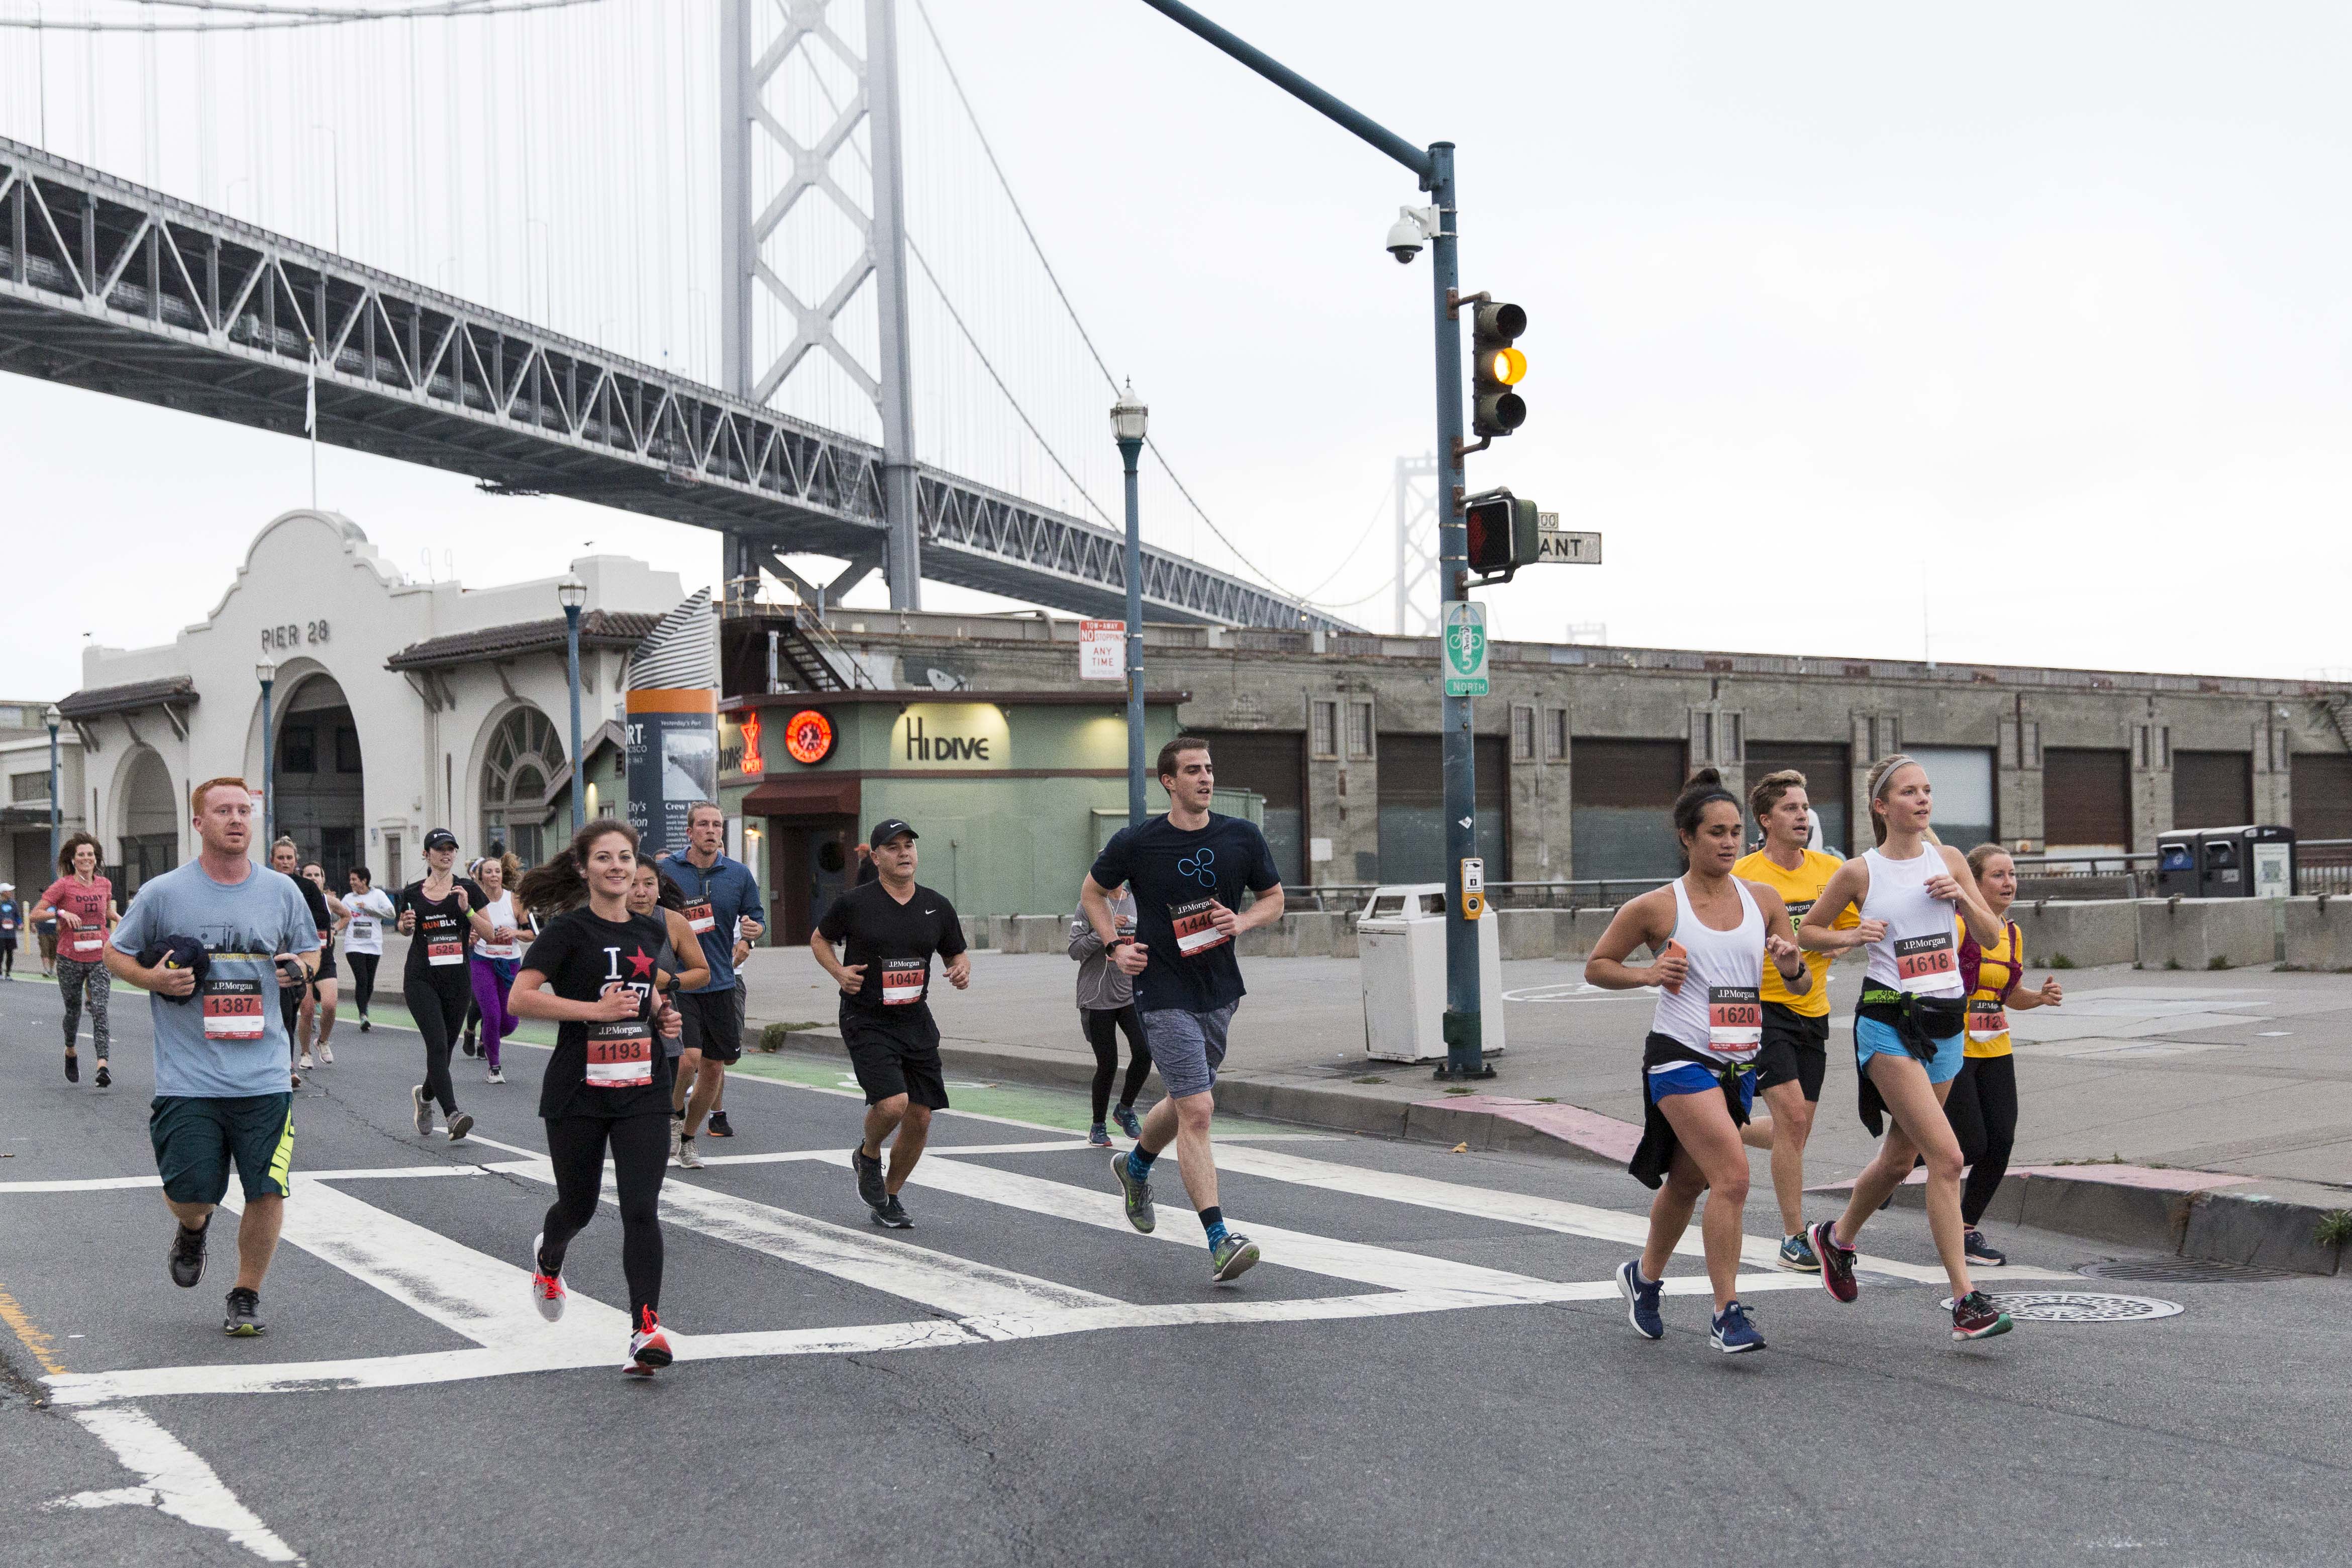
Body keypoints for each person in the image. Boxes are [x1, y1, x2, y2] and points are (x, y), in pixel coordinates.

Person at [1588, 770, 1811, 1353]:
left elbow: (1798, 977)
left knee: (1688, 1181)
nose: (1729, 842)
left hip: (1737, 1061)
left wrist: (1790, 964)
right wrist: (1646, 973)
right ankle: (1726, 1312)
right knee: (1732, 1177)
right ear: (1687, 838)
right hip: (1678, 1057)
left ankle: (1644, 1278)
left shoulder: (1762, 900)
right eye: (1716, 832)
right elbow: (1597, 965)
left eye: (1736, 831)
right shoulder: (1658, 907)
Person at [1799, 754, 2014, 1342]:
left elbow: (1993, 933)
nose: (1922, 800)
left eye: (1927, 791)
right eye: (1908, 792)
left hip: (1947, 1024)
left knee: (1900, 1160)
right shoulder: (1858, 872)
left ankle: (1835, 1240)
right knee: (1945, 1158)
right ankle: (1964, 1300)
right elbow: (1806, 933)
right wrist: (1850, 933)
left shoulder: (1947, 861)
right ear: (1881, 805)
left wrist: (1964, 898)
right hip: (1888, 1022)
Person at [104, 778, 318, 1336]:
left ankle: (246, 1293)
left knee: (268, 1189)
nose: (236, 819)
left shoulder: (281, 891)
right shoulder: (163, 893)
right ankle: (194, 1227)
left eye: (244, 810)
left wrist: (298, 968)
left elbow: (310, 948)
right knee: (191, 1192)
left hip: (266, 1074)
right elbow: (115, 951)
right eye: (223, 810)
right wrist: (151, 977)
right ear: (198, 823)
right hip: (189, 1077)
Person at [1086, 736, 1285, 1284]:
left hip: (1219, 990)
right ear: (1168, 781)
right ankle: (1220, 1238)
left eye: (1210, 769)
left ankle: (1136, 1166)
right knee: (1198, 1108)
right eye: (1193, 770)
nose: (1206, 778)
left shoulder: (1240, 836)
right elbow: (1091, 893)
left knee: (1183, 1097)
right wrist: (1115, 947)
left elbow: (1274, 898)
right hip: (1161, 989)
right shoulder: (1138, 842)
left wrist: (1242, 921)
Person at [510, 819, 685, 1376]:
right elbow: (521, 998)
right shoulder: (566, 931)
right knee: (579, 1205)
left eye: (626, 857)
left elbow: (640, 996)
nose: (617, 866)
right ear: (584, 868)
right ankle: (549, 1256)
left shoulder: (649, 933)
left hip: (643, 1087)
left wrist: (660, 1015)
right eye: (605, 858)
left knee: (641, 1208)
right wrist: (592, 1012)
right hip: (577, 1088)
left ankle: (645, 1328)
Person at [1730, 769, 1862, 1272]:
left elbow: (1845, 932)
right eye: (1790, 808)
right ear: (1765, 820)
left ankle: (1720, 1127)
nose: (1802, 815)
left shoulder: (1831, 870)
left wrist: (1844, 937)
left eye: (1805, 807)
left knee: (1796, 1131)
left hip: (1811, 1006)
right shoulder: (1742, 874)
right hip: (1756, 1007)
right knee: (1791, 1119)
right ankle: (1792, 1236)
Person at [810, 819, 969, 1227]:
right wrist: (838, 973)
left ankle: (890, 1197)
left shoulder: (936, 905)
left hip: (915, 1019)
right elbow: (819, 939)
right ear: (876, 856)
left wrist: (961, 970)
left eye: (909, 846)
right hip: (866, 1017)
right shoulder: (854, 902)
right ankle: (868, 1154)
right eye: (893, 847)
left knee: (920, 1116)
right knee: (893, 1103)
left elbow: (955, 953)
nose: (903, 853)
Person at [1944, 844, 2063, 1268]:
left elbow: (2008, 995)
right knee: (1971, 1143)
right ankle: (1900, 1158)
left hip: (1995, 1046)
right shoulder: (1956, 927)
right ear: (1973, 883)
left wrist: (2040, 997)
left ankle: (1964, 1228)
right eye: (1997, 875)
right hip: (1954, 1047)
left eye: (2011, 874)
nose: (2008, 882)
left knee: (2002, 1141)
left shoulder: (2011, 934)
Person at [657, 802, 764, 1170]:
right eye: (703, 824)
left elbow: (756, 917)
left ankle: (688, 1137)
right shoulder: (666, 872)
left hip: (721, 980)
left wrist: (750, 937)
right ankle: (672, 1115)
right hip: (680, 982)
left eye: (716, 825)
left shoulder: (737, 874)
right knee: (689, 1058)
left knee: (715, 1069)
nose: (711, 830)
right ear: (689, 832)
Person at [393, 828, 494, 1141]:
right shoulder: (411, 892)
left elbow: (489, 933)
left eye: (451, 849)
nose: (446, 854)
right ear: (427, 854)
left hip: (457, 980)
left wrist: (467, 910)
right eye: (439, 849)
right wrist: (405, 926)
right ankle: (453, 1114)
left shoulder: (468, 890)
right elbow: (404, 927)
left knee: (446, 1049)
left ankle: (424, 1099)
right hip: (421, 978)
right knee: (437, 1043)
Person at [1068, 881, 1151, 1147]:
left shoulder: (1136, 902)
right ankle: (1098, 1126)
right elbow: (1074, 950)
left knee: (1145, 1051)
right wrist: (1105, 933)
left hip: (1129, 993)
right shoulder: (1088, 905)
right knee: (1108, 1063)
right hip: (1096, 997)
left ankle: (1125, 1109)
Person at [35, 832, 120, 1088]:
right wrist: (61, 912)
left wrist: (118, 918)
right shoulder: (63, 886)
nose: (86, 858)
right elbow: (37, 913)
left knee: (100, 1009)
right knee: (73, 1011)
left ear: (96, 858)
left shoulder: (104, 884)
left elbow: (105, 911)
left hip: (99, 956)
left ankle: (102, 1065)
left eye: (90, 854)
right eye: (81, 855)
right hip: (70, 957)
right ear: (73, 860)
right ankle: (70, 1050)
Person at [266, 840, 331, 1084]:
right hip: (265, 957)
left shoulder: (307, 887)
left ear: (296, 861)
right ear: (272, 860)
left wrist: (295, 919)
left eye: (289, 858)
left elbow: (322, 918)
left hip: (295, 959)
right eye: (280, 858)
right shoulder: (264, 885)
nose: (285, 862)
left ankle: (289, 1066)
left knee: (288, 1013)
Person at [468, 855, 527, 1086]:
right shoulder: (473, 901)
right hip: (482, 962)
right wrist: (471, 938)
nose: (494, 876)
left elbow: (533, 933)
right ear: (481, 876)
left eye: (498, 871)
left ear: (503, 875)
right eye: (489, 872)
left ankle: (487, 1038)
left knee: (510, 1022)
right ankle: (494, 1067)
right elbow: (463, 934)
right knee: (491, 1015)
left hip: (510, 964)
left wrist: (514, 934)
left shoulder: (515, 900)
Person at [298, 862, 345, 1068]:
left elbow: (347, 915)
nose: (313, 878)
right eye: (308, 875)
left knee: (330, 1005)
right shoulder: (296, 901)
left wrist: (334, 929)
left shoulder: (329, 901)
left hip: (325, 961)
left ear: (323, 879)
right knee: (307, 1010)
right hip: (304, 962)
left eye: (317, 874)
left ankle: (322, 1041)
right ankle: (305, 1053)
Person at [341, 866, 396, 1033]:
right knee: (362, 979)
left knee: (370, 982)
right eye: (350, 880)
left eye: (354, 879)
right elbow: (338, 915)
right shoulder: (348, 898)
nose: (351, 883)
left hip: (373, 944)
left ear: (364, 880)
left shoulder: (378, 895)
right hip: (354, 944)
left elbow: (392, 914)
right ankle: (363, 1015)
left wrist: (370, 909)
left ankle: (364, 1007)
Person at [0, 883, 21, 978]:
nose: (11, 893)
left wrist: (20, 923)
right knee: (1, 954)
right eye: (9, 891)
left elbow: (17, 916)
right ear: (3, 893)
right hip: (1, 934)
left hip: (11, 934)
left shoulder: (13, 903)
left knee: (10, 953)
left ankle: (8, 973)